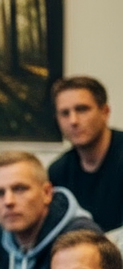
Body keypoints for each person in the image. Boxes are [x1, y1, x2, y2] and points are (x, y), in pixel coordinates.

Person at [48, 75, 123, 233]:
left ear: (105, 112)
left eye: (82, 109)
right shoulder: (58, 172)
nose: (73, 121)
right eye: (65, 113)